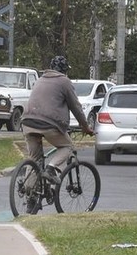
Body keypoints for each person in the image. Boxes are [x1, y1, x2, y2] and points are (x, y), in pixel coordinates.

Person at [20, 55, 94, 184]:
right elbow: (75, 107)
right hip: (48, 124)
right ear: (65, 69)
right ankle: (51, 169)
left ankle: (29, 194)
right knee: (68, 146)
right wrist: (85, 126)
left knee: (34, 158)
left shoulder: (40, 79)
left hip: (27, 122)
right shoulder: (64, 81)